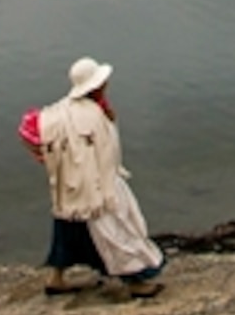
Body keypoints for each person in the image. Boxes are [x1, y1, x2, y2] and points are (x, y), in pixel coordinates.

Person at [24, 56, 165, 298]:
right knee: (116, 231)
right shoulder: (95, 115)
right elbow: (108, 154)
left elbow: (30, 132)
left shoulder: (57, 112)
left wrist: (48, 160)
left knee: (67, 229)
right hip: (97, 186)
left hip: (68, 187)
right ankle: (135, 282)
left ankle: (56, 277)